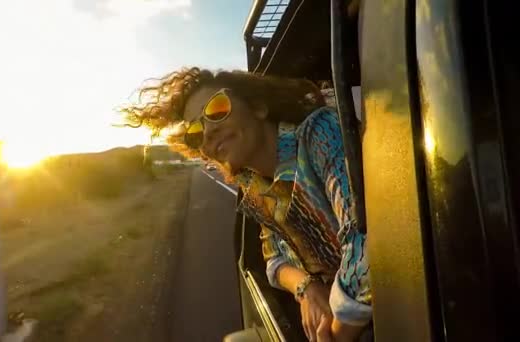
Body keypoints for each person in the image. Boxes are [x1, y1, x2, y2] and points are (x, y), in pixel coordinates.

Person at [120, 67, 371, 341]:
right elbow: (274, 258)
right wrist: (306, 288)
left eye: (217, 109)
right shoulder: (256, 188)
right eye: (195, 132)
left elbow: (371, 245)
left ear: (258, 107)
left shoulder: (319, 132)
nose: (208, 133)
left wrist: (337, 335)